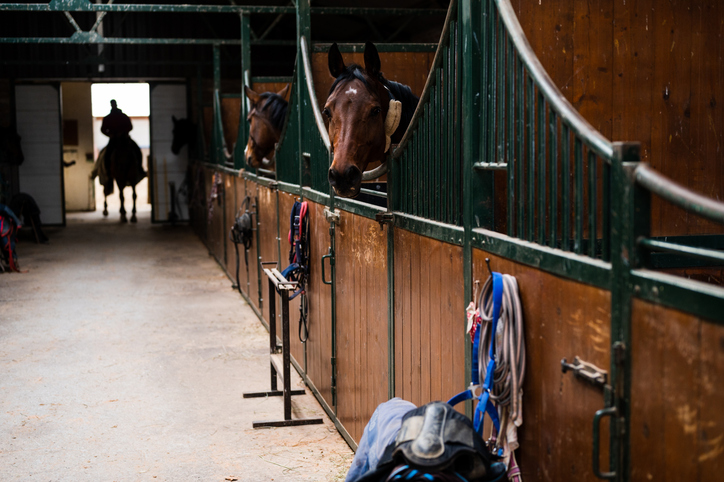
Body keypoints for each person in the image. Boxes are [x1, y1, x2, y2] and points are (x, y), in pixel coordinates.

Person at [101, 99, 145, 179]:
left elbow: (130, 127)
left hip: (125, 139)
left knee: (137, 150)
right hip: (114, 140)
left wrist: (123, 132)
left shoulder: (123, 116)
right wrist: (110, 134)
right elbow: (103, 129)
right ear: (111, 105)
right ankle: (108, 174)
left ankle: (140, 169)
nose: (113, 105)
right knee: (107, 155)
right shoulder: (108, 118)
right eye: (112, 104)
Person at [0, 202, 22, 271]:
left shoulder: (2, 207)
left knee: (7, 243)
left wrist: (17, 223)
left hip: (4, 227)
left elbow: (8, 211)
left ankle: (12, 260)